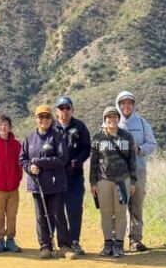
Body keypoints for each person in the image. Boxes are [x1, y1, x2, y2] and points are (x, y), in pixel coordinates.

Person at [19, 104, 73, 259]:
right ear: (35, 119)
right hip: (37, 184)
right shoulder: (29, 139)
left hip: (56, 184)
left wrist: (39, 162)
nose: (44, 119)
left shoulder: (58, 136)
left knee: (58, 215)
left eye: (47, 117)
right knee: (41, 216)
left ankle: (64, 246)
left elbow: (62, 159)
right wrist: (30, 168)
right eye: (40, 117)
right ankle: (45, 246)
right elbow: (23, 160)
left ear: (52, 119)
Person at [90, 106, 138, 257]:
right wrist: (92, 183)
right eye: (109, 117)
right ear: (104, 120)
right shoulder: (98, 137)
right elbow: (94, 161)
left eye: (115, 117)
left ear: (118, 119)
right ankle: (107, 244)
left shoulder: (127, 136)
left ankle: (119, 245)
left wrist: (133, 182)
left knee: (121, 213)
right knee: (106, 213)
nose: (112, 120)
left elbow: (132, 160)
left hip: (123, 180)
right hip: (103, 180)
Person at [116, 90, 157, 252]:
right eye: (123, 103)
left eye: (129, 103)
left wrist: (139, 148)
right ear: (118, 105)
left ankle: (135, 240)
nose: (126, 106)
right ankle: (116, 240)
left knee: (136, 205)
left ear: (133, 105)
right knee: (118, 206)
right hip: (117, 172)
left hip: (138, 170)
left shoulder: (141, 123)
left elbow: (152, 144)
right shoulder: (112, 122)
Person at [53, 95, 91, 256]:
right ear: (57, 111)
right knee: (57, 210)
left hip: (74, 176)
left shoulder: (80, 126)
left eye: (68, 108)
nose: (65, 111)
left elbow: (87, 148)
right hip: (55, 177)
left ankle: (74, 241)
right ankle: (62, 243)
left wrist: (77, 160)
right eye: (62, 108)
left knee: (74, 209)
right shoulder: (51, 128)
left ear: (72, 109)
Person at [0, 115, 23, 253]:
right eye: (0, 125)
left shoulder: (16, 145)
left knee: (12, 215)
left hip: (13, 188)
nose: (3, 127)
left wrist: (17, 179)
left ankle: (11, 240)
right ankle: (0, 240)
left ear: (10, 127)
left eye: (5, 124)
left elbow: (20, 164)